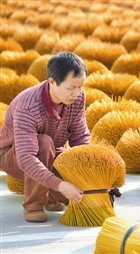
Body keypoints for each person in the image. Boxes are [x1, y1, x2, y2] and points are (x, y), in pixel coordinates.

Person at [0, 51, 90, 222]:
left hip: (50, 152)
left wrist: (85, 171)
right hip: (13, 156)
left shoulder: (77, 99)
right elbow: (26, 158)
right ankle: (34, 206)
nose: (77, 93)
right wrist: (61, 185)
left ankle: (52, 198)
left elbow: (80, 138)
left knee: (69, 158)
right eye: (71, 88)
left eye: (81, 87)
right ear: (52, 82)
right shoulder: (28, 106)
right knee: (44, 143)